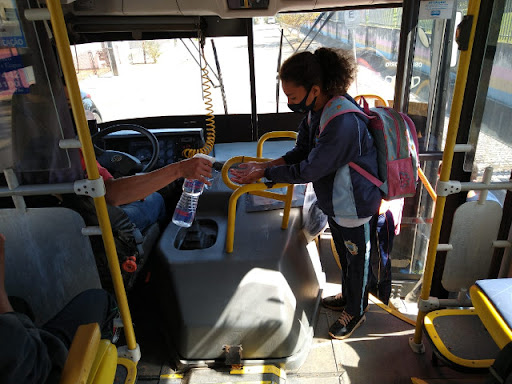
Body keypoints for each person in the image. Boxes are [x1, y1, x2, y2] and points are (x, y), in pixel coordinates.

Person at [231, 47, 382, 340]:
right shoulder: (317, 112)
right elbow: (301, 151)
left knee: (357, 259)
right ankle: (351, 296)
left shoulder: (342, 122)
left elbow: (309, 169)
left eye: (293, 97)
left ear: (315, 89)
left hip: (355, 205)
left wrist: (265, 173)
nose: (290, 102)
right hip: (337, 202)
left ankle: (357, 309)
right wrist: (264, 165)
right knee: (346, 254)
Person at [0, 234, 119, 384]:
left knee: (18, 304)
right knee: (99, 298)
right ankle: (97, 366)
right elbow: (24, 356)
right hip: (48, 371)